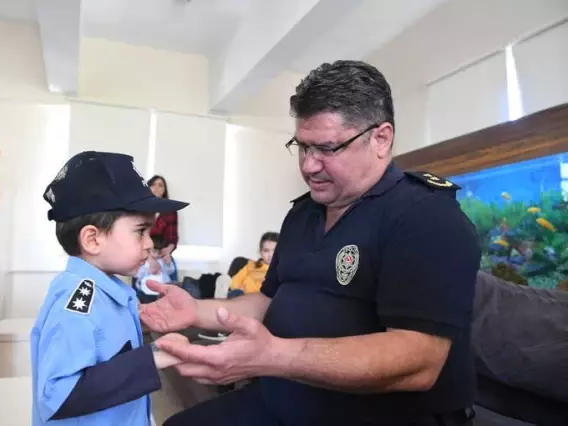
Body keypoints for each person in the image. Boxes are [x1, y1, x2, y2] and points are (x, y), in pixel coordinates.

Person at [140, 60, 481, 426]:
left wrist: (272, 356)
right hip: (282, 401)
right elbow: (269, 300)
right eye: (301, 147)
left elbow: (419, 360)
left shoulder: (426, 218)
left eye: (327, 148)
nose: (308, 166)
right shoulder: (304, 214)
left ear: (381, 138)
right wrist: (196, 310)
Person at [30, 151, 189, 426]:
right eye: (141, 231)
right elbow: (56, 395)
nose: (150, 243)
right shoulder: (78, 303)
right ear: (92, 239)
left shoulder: (108, 291)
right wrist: (149, 359)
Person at [227, 232, 279, 298]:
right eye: (266, 250)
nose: (270, 255)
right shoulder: (251, 265)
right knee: (234, 293)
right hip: (241, 294)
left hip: (258, 298)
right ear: (260, 252)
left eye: (275, 250)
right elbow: (236, 280)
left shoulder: (280, 270)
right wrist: (237, 288)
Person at [134, 235, 176, 304]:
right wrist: (147, 270)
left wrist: (168, 264)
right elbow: (136, 274)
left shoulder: (163, 260)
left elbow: (170, 272)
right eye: (154, 251)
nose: (156, 255)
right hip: (146, 292)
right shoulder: (144, 261)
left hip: (161, 292)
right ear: (149, 250)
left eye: (159, 252)